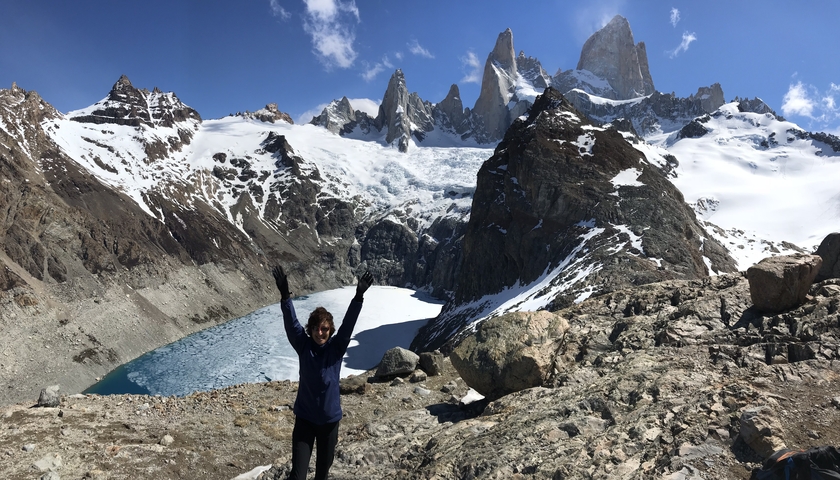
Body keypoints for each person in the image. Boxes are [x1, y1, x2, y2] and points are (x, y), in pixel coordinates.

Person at [271, 266, 374, 480]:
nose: (320, 332)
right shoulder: (303, 345)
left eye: (325, 329)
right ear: (311, 329)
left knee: (321, 477)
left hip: (329, 424)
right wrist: (284, 296)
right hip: (305, 421)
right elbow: (292, 325)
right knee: (298, 476)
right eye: (317, 328)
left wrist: (358, 296)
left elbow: (347, 325)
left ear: (330, 331)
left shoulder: (336, 350)